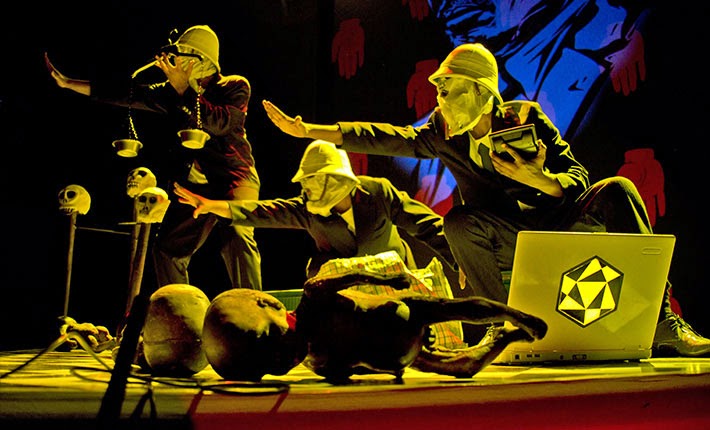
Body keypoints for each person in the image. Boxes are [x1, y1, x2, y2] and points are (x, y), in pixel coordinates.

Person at [260, 43, 710, 357]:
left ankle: (663, 321)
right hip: (513, 236)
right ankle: (504, 325)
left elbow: (578, 178)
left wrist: (540, 179)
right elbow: (389, 138)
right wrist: (312, 131)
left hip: (560, 221)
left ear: (481, 92)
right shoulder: (443, 133)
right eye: (438, 91)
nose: (439, 100)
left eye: (448, 90)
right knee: (457, 221)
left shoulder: (524, 118)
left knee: (619, 189)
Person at [47, 25, 262, 295]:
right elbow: (127, 93)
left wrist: (184, 89)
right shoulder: (173, 92)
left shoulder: (234, 85)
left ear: (204, 59)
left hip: (234, 177)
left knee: (237, 233)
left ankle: (253, 308)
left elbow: (220, 124)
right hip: (195, 186)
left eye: (185, 55)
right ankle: (180, 311)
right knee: (167, 250)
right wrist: (69, 83)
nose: (178, 62)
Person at [201, 263, 548, 383]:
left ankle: (511, 315)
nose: (280, 359)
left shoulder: (313, 297)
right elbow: (355, 368)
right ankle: (507, 336)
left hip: (401, 312)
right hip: (401, 354)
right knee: (463, 367)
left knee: (457, 308)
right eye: (269, 368)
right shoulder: (319, 364)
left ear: (268, 303)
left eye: (267, 340)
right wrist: (386, 368)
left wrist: (387, 279)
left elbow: (351, 276)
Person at [173, 139, 457, 279]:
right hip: (345, 289)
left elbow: (424, 223)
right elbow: (262, 212)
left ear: (335, 180)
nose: (306, 188)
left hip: (391, 277)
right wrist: (213, 206)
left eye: (312, 180)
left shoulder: (377, 193)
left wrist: (460, 258)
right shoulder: (309, 209)